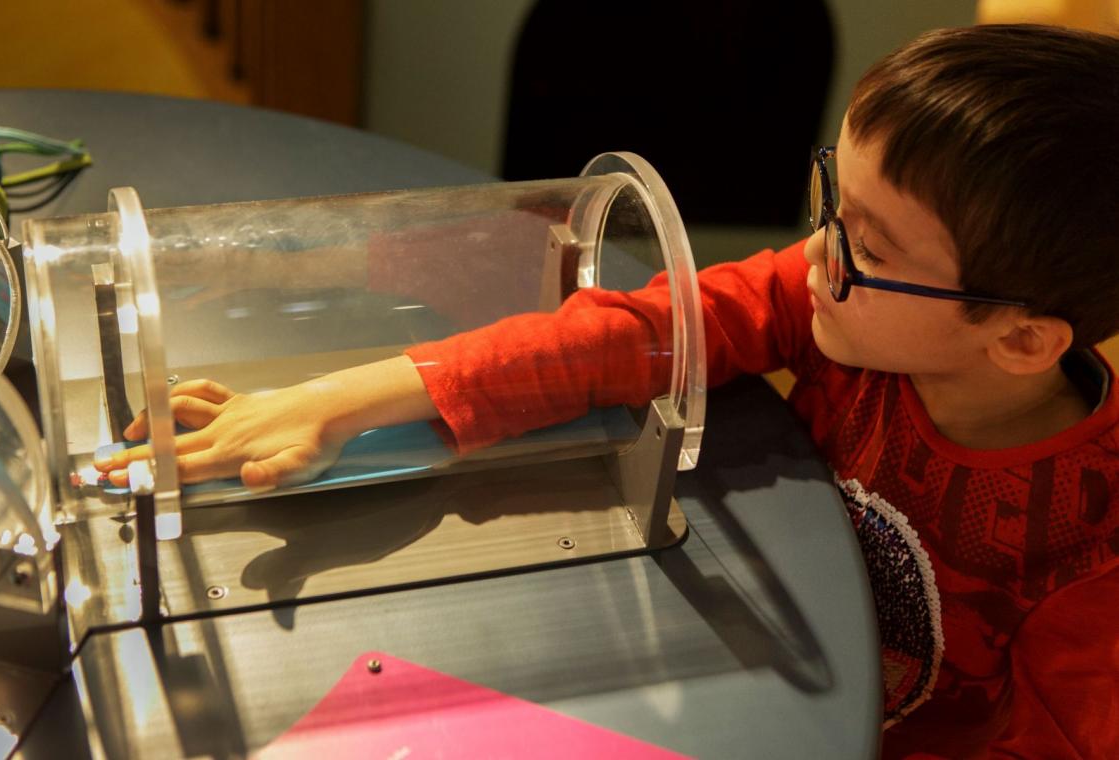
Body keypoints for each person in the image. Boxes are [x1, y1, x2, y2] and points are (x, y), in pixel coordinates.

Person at [97, 24, 1119, 758]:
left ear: (1021, 339)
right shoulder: (841, 312)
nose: (815, 253)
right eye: (830, 203)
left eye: (866, 245)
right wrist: (358, 393)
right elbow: (641, 328)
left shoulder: (1093, 563)